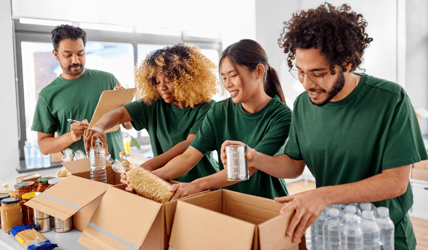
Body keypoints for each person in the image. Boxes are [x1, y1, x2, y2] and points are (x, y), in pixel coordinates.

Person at [221, 3, 426, 249]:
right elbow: (295, 164)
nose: (307, 83)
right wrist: (255, 158)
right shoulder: (303, 105)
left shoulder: (390, 99)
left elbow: (395, 182)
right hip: (330, 234)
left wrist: (323, 195)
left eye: (318, 73)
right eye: (300, 72)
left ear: (348, 63)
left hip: (382, 236)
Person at [128, 39, 292, 200]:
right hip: (229, 202)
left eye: (233, 75)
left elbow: (248, 166)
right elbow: (188, 157)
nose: (228, 84)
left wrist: (197, 185)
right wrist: (146, 176)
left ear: (259, 71)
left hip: (269, 203)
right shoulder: (219, 111)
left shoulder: (281, 116)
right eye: (224, 77)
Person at [84, 44, 219, 182]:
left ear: (186, 80)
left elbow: (188, 146)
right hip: (166, 182)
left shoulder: (207, 108)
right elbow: (119, 113)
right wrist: (99, 127)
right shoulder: (154, 104)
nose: (162, 87)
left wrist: (145, 169)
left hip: (201, 183)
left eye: (168, 80)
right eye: (156, 81)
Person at [31, 24, 131, 160]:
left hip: (117, 168)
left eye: (80, 53)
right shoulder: (47, 95)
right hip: (79, 173)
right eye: (68, 55)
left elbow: (129, 125)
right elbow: (44, 146)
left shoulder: (108, 80)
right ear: (56, 54)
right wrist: (71, 136)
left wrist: (125, 104)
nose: (76, 60)